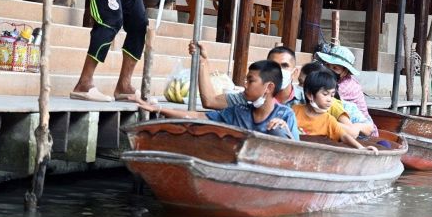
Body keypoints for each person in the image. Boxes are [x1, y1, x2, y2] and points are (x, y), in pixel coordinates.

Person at [136, 59, 299, 140]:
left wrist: (285, 131)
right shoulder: (237, 112)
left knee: (278, 131)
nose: (245, 84)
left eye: (251, 81)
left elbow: (298, 153)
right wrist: (158, 109)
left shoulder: (286, 115)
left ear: (269, 87)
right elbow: (197, 116)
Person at [292, 70, 377, 151]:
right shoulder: (294, 111)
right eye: (325, 94)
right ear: (310, 95)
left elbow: (344, 136)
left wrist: (361, 148)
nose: (329, 99)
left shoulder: (328, 120)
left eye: (332, 95)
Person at [298, 62, 374, 138]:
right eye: (300, 83)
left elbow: (357, 131)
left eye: (303, 84)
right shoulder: (299, 104)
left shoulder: (337, 104)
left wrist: (326, 123)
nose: (300, 88)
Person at [316, 44, 379, 136]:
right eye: (328, 65)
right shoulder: (332, 81)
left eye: (335, 68)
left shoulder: (347, 86)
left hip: (361, 129)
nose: (329, 70)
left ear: (345, 71)